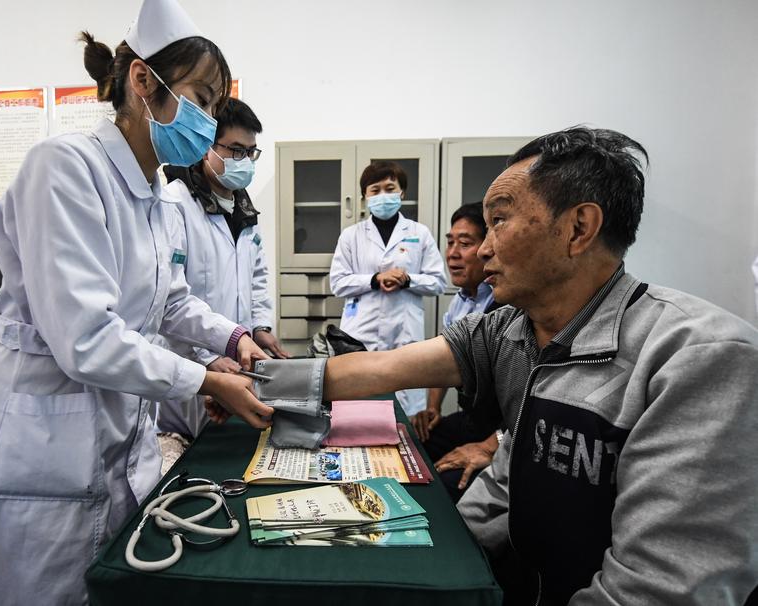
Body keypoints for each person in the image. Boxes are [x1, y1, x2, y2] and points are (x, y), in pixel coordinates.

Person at [0, 1, 274, 603]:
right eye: (201, 99)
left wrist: (233, 339)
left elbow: (171, 301)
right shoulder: (66, 169)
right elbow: (85, 338)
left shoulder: (157, 196)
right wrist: (205, 380)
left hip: (106, 431)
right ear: (142, 82)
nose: (208, 121)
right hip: (36, 445)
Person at [313, 127, 758, 604]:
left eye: (499, 221)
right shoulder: (514, 330)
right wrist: (448, 569)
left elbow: (660, 589)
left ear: (578, 229)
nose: (483, 249)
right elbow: (387, 371)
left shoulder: (700, 359)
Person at [158, 98, 289, 437]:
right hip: (190, 365)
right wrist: (206, 358)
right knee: (191, 449)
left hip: (238, 361)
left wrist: (259, 326)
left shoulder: (244, 209)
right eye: (235, 150)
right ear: (206, 148)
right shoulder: (174, 206)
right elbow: (167, 302)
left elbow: (257, 278)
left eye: (251, 152)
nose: (244, 161)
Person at [328, 161, 447, 416]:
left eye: (390, 188)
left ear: (401, 192)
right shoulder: (351, 235)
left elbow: (439, 281)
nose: (383, 195)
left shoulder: (419, 233)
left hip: (405, 331)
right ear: (365, 197)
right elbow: (337, 282)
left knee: (404, 413)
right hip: (362, 331)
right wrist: (374, 279)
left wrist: (408, 280)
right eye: (375, 189)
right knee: (358, 407)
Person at [410, 202, 503, 502]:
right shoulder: (461, 301)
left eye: (465, 244)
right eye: (450, 242)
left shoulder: (506, 305)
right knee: (410, 445)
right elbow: (444, 357)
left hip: (502, 429)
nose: (452, 253)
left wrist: (491, 446)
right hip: (472, 417)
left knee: (442, 486)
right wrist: (433, 407)